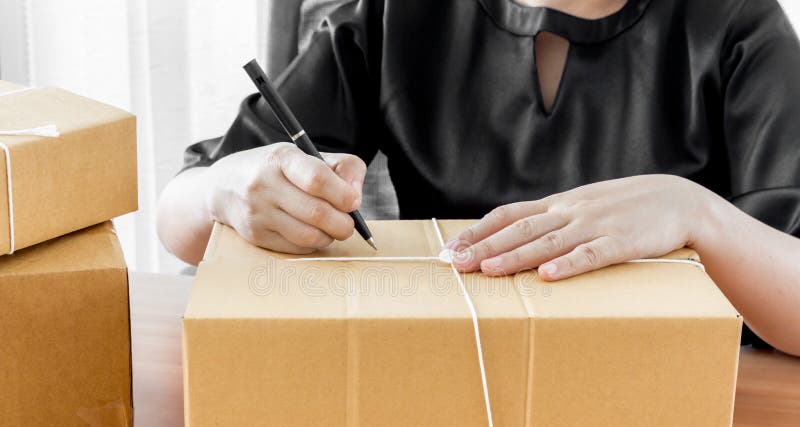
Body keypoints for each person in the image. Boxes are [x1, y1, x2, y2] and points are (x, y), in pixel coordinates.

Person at [157, 0, 800, 355]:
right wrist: (224, 190)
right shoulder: (392, 14)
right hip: (442, 376)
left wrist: (693, 212)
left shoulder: (737, 22)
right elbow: (179, 216)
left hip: (677, 403)